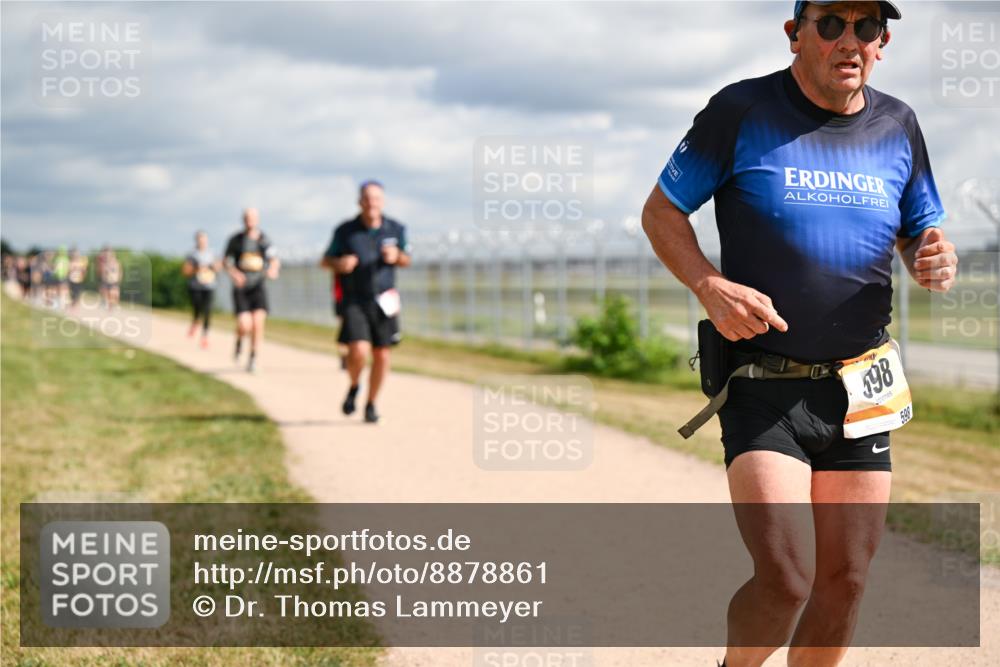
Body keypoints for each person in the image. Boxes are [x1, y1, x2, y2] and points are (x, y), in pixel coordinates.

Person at [640, 2, 958, 666]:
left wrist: (932, 255)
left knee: (845, 582)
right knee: (786, 578)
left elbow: (918, 230)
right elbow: (662, 210)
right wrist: (708, 283)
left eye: (866, 27)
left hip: (861, 386)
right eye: (831, 23)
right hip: (763, 382)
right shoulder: (742, 111)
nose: (850, 39)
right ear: (795, 34)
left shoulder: (898, 123)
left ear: (882, 42)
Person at [321, 180, 411, 423]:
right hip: (355, 300)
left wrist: (397, 256)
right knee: (358, 350)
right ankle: (354, 385)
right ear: (360, 201)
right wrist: (339, 263)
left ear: (383, 201)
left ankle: (371, 403)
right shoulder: (345, 231)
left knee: (382, 355)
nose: (372, 203)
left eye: (376, 198)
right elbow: (325, 260)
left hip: (385, 300)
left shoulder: (395, 229)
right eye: (368, 198)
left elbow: (407, 259)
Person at [224, 208, 280, 373]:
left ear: (257, 219)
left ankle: (253, 358)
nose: (250, 221)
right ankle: (239, 340)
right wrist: (235, 274)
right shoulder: (236, 240)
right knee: (245, 324)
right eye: (247, 218)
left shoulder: (264, 239)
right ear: (243, 220)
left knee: (258, 323)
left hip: (258, 286)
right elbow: (227, 261)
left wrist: (273, 269)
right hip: (241, 288)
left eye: (253, 218)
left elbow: (274, 259)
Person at [182, 231, 221, 348]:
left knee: (208, 311)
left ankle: (205, 336)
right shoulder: (192, 254)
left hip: (209, 286)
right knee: (197, 308)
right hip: (195, 286)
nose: (202, 242)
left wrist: (213, 267)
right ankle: (195, 321)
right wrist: (196, 268)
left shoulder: (212, 253)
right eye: (200, 240)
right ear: (197, 241)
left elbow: (219, 267)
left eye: (204, 239)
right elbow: (185, 271)